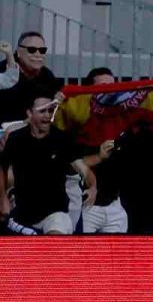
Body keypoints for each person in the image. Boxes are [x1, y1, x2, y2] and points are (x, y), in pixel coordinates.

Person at [0, 89, 97, 235]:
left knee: (54, 244)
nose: (48, 115)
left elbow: (84, 169)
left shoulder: (62, 139)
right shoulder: (16, 139)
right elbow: (2, 168)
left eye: (50, 110)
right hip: (22, 214)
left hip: (56, 213)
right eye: (42, 111)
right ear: (29, 113)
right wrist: (3, 199)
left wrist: (93, 186)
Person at [76, 67, 127, 233]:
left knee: (116, 258)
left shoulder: (125, 120)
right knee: (86, 258)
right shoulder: (78, 123)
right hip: (88, 206)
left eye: (114, 87)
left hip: (115, 207)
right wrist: (99, 156)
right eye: (104, 88)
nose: (111, 92)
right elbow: (73, 163)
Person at [0, 31, 63, 125]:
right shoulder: (3, 70)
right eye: (32, 49)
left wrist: (55, 104)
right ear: (18, 52)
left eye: (42, 50)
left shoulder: (47, 76)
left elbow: (51, 111)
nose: (38, 54)